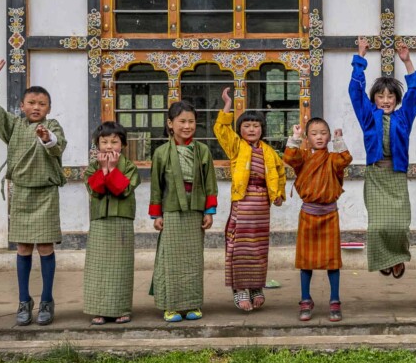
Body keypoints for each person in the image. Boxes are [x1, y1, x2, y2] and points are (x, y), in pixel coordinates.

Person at [0, 59, 66, 326]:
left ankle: (47, 301)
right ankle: (24, 301)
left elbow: (58, 146)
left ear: (48, 108)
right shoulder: (14, 126)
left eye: (41, 103)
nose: (36, 107)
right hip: (22, 194)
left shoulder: (53, 127)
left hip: (46, 193)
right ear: (22, 106)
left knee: (45, 246)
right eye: (31, 103)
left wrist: (46, 138)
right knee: (24, 247)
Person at [348, 37, 416, 279]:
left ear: (396, 100)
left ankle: (398, 256)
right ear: (375, 100)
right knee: (378, 226)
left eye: (391, 96)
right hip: (376, 175)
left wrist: (407, 61)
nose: (386, 100)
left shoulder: (404, 118)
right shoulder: (368, 117)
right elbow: (355, 92)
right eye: (381, 96)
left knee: (399, 226)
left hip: (396, 174)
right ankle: (385, 259)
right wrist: (361, 57)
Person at [214, 88, 286, 312]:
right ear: (240, 130)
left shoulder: (269, 151)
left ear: (262, 129)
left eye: (256, 126)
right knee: (241, 247)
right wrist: (227, 105)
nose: (252, 129)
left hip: (262, 204)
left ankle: (256, 287)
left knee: (259, 247)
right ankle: (240, 289)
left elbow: (279, 172)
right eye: (246, 126)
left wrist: (279, 194)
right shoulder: (236, 147)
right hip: (243, 202)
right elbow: (221, 129)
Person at [149, 101, 217, 322]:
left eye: (191, 122)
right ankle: (172, 306)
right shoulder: (161, 152)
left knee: (193, 260)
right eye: (182, 121)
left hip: (195, 210)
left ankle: (192, 304)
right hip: (171, 210)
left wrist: (209, 211)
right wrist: (157, 215)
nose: (187, 126)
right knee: (171, 260)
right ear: (170, 123)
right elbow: (156, 186)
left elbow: (210, 182)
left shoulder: (202, 151)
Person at [284, 119, 352, 322]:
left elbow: (345, 160)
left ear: (329, 137)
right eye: (314, 133)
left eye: (324, 133)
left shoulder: (332, 158)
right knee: (306, 261)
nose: (319, 137)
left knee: (332, 262)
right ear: (307, 138)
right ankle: (305, 299)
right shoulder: (303, 157)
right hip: (308, 215)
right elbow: (289, 157)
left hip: (330, 215)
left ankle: (335, 299)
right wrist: (294, 138)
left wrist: (340, 142)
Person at [83, 121, 140, 325]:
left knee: (121, 267)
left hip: (122, 222)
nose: (109, 146)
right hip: (99, 222)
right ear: (97, 145)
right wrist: (104, 170)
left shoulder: (130, 167)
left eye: (114, 141)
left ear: (123, 144)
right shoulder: (92, 168)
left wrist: (113, 169)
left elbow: (123, 190)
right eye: (104, 141)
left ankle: (121, 309)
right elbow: (95, 190)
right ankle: (99, 309)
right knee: (98, 267)